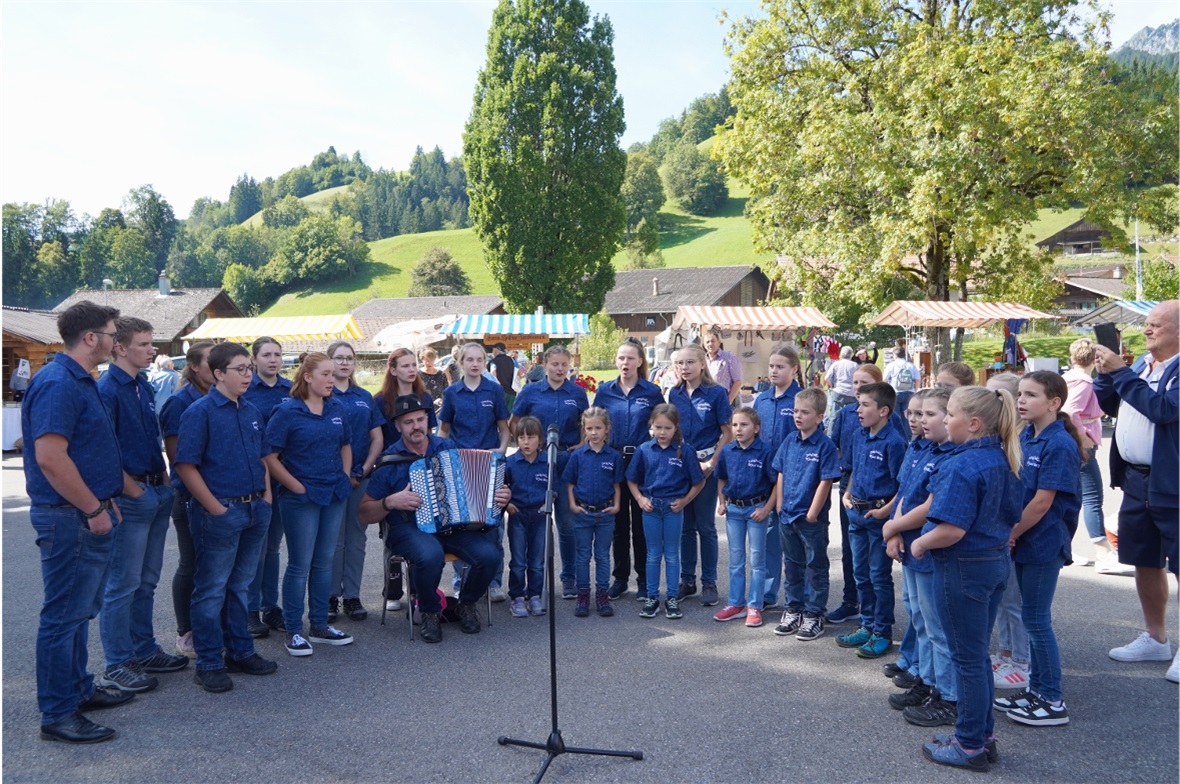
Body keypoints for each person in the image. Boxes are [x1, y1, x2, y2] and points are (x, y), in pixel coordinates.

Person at [24, 301, 127, 743]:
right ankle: (58, 713)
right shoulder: (58, 383)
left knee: (78, 611)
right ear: (90, 338)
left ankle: (77, 689)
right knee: (64, 616)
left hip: (85, 512)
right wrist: (92, 508)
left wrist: (105, 500)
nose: (114, 341)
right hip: (70, 518)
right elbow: (50, 457)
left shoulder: (78, 379)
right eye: (110, 333)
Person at [910, 386, 1023, 772]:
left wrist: (920, 544)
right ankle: (979, 735)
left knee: (968, 660)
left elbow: (951, 530)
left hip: (963, 567)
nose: (943, 420)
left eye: (950, 415)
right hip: (992, 563)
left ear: (973, 424)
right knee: (976, 657)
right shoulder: (1003, 457)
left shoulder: (962, 465)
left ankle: (971, 743)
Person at [359, 395, 510, 643]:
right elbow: (364, 512)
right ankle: (429, 610)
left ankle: (466, 604)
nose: (416, 426)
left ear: (429, 420)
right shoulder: (388, 461)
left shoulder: (446, 449)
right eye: (408, 422)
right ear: (397, 426)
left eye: (420, 419)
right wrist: (389, 502)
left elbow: (479, 487)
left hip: (452, 527)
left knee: (490, 555)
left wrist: (502, 494)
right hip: (407, 528)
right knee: (430, 555)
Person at [174, 342, 279, 694]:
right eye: (241, 369)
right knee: (211, 589)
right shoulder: (199, 412)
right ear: (218, 374)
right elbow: (186, 467)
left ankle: (240, 651)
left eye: (249, 368)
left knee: (239, 586)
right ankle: (208, 662)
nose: (248, 374)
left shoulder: (250, 409)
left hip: (254, 509)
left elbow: (263, 456)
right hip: (219, 512)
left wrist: (264, 497)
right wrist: (215, 507)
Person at [96, 317, 187, 696]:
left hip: (153, 490)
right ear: (120, 346)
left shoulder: (141, 385)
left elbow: (150, 439)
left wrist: (163, 484)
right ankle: (118, 662)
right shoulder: (108, 389)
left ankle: (144, 649)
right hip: (131, 497)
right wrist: (133, 491)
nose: (153, 350)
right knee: (122, 584)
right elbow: (102, 449)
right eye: (145, 344)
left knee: (146, 581)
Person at [991, 371, 1084, 727]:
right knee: (1031, 618)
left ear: (1054, 403)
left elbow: (1043, 502)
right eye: (1021, 394)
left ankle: (1052, 699)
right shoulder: (1028, 435)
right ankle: (1036, 690)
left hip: (1042, 544)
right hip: (1025, 541)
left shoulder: (1059, 444)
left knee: (1036, 620)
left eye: (1030, 395)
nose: (1021, 401)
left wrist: (1012, 532)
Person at [1094, 300, 1180, 682]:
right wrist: (1104, 375)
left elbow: (1163, 409)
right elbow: (1114, 402)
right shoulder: (1144, 366)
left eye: (1157, 325)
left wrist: (1123, 373)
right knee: (1144, 559)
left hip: (1172, 481)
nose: (1147, 330)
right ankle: (1155, 636)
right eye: (1146, 323)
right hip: (1136, 478)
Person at [265, 352, 354, 656]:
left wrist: (343, 476)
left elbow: (345, 445)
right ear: (307, 377)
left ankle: (319, 624)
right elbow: (270, 457)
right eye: (326, 374)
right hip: (301, 497)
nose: (332, 379)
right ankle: (293, 630)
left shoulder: (337, 408)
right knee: (299, 564)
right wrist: (296, 486)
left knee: (323, 561)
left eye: (333, 374)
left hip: (333, 494)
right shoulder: (287, 412)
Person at [882, 388, 959, 725]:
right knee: (919, 618)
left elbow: (928, 505)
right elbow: (905, 494)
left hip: (928, 548)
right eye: (917, 414)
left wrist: (892, 527)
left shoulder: (949, 455)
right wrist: (895, 530)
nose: (920, 420)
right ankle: (926, 681)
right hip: (911, 545)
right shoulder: (923, 447)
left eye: (930, 414)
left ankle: (948, 695)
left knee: (938, 628)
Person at [509, 345, 590, 598]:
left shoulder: (577, 393)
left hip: (566, 460)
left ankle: (568, 578)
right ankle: (528, 586)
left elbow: (586, 425)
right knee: (531, 520)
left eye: (564, 365)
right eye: (554, 364)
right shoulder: (530, 391)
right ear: (545, 364)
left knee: (566, 523)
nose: (559, 369)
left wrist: (581, 445)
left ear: (569, 366)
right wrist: (526, 448)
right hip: (536, 461)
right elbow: (514, 423)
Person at [837, 381, 907, 659]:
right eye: (858, 404)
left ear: (884, 411)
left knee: (879, 576)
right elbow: (853, 470)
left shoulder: (894, 442)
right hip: (857, 513)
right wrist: (848, 493)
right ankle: (866, 624)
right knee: (860, 573)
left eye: (865, 405)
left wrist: (885, 511)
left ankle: (882, 631)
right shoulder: (859, 435)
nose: (858, 410)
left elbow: (902, 486)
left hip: (879, 517)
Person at [439, 342, 512, 601]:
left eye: (479, 359)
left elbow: (504, 429)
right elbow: (444, 431)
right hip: (459, 467)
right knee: (461, 524)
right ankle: (462, 581)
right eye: (469, 359)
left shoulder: (493, 390)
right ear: (461, 362)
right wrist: (446, 457)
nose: (474, 364)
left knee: (492, 524)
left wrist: (500, 452)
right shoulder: (452, 393)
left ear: (485, 362)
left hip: (490, 466)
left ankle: (493, 583)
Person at [594, 339, 664, 600]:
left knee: (642, 525)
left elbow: (663, 424)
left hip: (643, 464)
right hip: (613, 462)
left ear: (640, 361)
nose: (625, 363)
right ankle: (620, 578)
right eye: (621, 358)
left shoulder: (652, 392)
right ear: (616, 361)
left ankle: (644, 580)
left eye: (630, 358)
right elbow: (594, 424)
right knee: (618, 525)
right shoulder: (604, 391)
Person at [771, 387, 841, 641]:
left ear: (820, 417)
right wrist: (779, 503)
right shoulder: (790, 440)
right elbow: (780, 472)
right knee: (792, 565)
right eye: (796, 411)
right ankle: (794, 608)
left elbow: (826, 480)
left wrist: (813, 512)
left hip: (810, 519)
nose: (798, 416)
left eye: (805, 412)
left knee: (815, 566)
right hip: (787, 514)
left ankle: (814, 614)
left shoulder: (825, 445)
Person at [158, 340, 215, 658]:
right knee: (191, 564)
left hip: (220, 494)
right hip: (190, 495)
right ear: (194, 366)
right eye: (211, 361)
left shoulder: (220, 397)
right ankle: (186, 631)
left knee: (214, 566)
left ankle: (211, 627)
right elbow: (178, 457)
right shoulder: (180, 402)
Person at [626, 404, 706, 619]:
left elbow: (698, 482)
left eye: (667, 428)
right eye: (657, 427)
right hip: (650, 507)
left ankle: (671, 597)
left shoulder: (685, 450)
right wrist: (640, 499)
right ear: (651, 426)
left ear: (676, 427)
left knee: (671, 554)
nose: (662, 432)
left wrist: (685, 501)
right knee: (653, 555)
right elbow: (631, 479)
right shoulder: (644, 450)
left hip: (673, 508)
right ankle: (652, 597)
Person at [668, 343, 733, 607]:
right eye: (680, 363)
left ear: (702, 364)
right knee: (685, 526)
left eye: (690, 362)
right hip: (682, 464)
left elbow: (727, 432)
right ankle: (687, 580)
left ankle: (709, 582)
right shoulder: (674, 394)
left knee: (705, 526)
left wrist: (712, 462)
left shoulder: (716, 393)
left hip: (707, 463)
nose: (685, 368)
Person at [327, 341, 385, 623]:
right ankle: (330, 596)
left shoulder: (364, 397)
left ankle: (352, 595)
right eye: (338, 358)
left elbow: (377, 437)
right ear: (330, 362)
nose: (344, 363)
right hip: (332, 480)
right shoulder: (322, 396)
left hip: (361, 477)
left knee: (356, 539)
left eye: (349, 358)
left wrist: (366, 466)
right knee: (333, 540)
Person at [241, 336, 291, 638]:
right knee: (256, 549)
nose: (273, 360)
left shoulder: (290, 390)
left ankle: (271, 607)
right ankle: (250, 608)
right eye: (267, 355)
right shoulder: (247, 389)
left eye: (277, 355)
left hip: (285, 478)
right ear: (254, 359)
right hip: (258, 479)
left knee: (273, 548)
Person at [985, 372, 1031, 690]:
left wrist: (1013, 530)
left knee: (1015, 601)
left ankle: (1022, 660)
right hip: (1003, 530)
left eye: (997, 395)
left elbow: (1030, 496)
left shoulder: (1021, 439)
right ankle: (1004, 652)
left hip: (1016, 531)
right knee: (1001, 598)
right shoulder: (1001, 435)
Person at [712, 407, 778, 628]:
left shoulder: (765, 452)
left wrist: (766, 509)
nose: (738, 429)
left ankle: (754, 606)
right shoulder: (728, 451)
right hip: (733, 511)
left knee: (757, 561)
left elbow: (776, 483)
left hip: (756, 510)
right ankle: (735, 604)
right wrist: (722, 502)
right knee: (736, 560)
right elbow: (721, 478)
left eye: (744, 425)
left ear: (756, 428)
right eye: (735, 425)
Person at [753, 346, 802, 609]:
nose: (774, 370)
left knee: (793, 536)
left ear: (794, 369)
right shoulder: (762, 399)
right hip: (764, 474)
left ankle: (800, 596)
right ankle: (767, 591)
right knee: (768, 536)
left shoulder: (800, 399)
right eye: (771, 366)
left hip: (793, 477)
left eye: (780, 366)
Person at [1062, 338, 1119, 570]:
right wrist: (1082, 435)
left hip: (1076, 438)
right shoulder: (1085, 381)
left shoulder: (1066, 378)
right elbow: (1071, 410)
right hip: (1082, 441)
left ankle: (1067, 544)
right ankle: (1103, 552)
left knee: (1073, 495)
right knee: (1093, 496)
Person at [564, 407, 624, 617]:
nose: (594, 432)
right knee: (582, 556)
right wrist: (572, 504)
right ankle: (582, 595)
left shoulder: (613, 456)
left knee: (602, 556)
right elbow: (570, 483)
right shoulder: (578, 456)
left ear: (607, 429)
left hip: (606, 514)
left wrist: (616, 505)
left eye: (598, 428)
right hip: (583, 513)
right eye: (590, 428)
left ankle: (602, 595)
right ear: (584, 429)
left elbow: (617, 484)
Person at [504, 416, 550, 618]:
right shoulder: (510, 463)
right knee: (519, 560)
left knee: (537, 561)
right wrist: (507, 504)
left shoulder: (547, 462)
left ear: (540, 440)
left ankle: (535, 595)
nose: (525, 442)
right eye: (521, 437)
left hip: (540, 516)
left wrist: (549, 504)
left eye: (530, 437)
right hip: (518, 515)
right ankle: (517, 597)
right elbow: (500, 487)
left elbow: (553, 488)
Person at [376, 347, 438, 443]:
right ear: (393, 371)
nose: (412, 369)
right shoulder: (380, 400)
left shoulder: (425, 397)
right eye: (405, 366)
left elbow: (429, 433)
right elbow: (377, 438)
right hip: (391, 455)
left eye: (414, 365)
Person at [703, 328, 742, 405]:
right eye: (707, 342)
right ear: (704, 345)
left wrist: (728, 402)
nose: (710, 344)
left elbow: (738, 381)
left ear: (719, 342)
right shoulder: (702, 360)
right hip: (707, 401)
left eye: (713, 341)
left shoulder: (729, 357)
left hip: (724, 400)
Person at [884, 344, 922, 412]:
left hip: (895, 392)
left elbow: (884, 380)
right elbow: (918, 379)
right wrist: (914, 390)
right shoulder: (911, 365)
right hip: (909, 392)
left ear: (895, 355)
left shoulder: (891, 365)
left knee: (896, 417)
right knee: (907, 416)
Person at [145, 354, 180, 427]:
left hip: (156, 405)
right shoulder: (173, 375)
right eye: (172, 364)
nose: (173, 365)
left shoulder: (155, 375)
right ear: (168, 366)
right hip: (168, 406)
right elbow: (177, 391)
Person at [489, 342, 517, 408]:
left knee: (499, 415)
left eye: (493, 350)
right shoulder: (512, 360)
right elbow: (520, 372)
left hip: (499, 392)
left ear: (496, 351)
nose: (492, 353)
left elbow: (493, 372)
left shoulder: (493, 361)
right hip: (512, 391)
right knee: (510, 415)